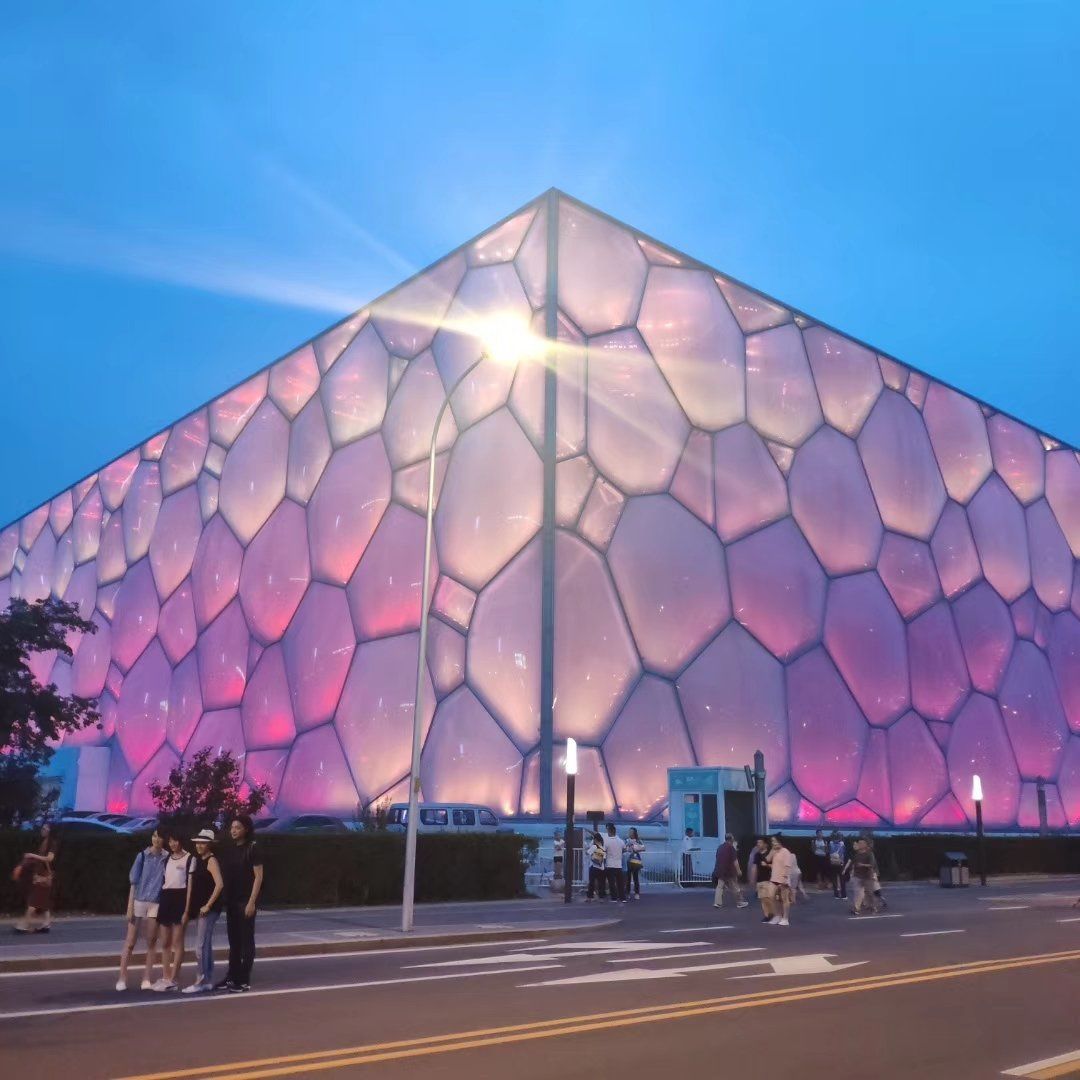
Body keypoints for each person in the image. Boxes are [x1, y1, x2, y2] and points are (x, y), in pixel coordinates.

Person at [216, 814, 264, 992]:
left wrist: (252, 902)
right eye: (232, 828)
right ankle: (232, 976)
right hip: (232, 901)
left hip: (245, 901)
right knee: (234, 942)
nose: (233, 831)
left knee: (246, 941)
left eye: (237, 828)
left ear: (246, 829)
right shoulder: (231, 848)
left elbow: (258, 877)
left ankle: (244, 980)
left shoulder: (253, 848)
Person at [117, 826, 167, 991]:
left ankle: (146, 978)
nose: (156, 839)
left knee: (151, 941)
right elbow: (134, 881)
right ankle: (122, 977)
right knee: (130, 941)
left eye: (159, 837)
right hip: (139, 900)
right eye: (154, 836)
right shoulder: (142, 856)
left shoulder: (166, 857)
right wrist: (129, 906)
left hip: (156, 902)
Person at [183, 829, 224, 994]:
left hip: (209, 910)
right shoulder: (200, 860)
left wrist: (208, 905)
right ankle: (207, 980)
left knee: (200, 946)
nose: (199, 845)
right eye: (198, 843)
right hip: (204, 909)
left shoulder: (211, 860)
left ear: (209, 845)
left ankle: (200, 981)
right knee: (205, 945)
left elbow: (219, 884)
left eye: (203, 843)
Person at [153, 832, 195, 991]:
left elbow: (190, 886)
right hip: (166, 898)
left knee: (178, 942)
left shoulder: (190, 858)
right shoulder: (166, 859)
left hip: (180, 899)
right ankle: (166, 977)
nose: (172, 844)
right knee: (165, 942)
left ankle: (174, 979)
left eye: (175, 841)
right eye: (170, 841)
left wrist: (187, 910)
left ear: (181, 841)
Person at [13, 822, 59, 934]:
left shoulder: (52, 843)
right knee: (43, 902)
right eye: (43, 828)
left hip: (44, 877)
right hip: (41, 876)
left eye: (45, 829)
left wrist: (32, 855)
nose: (42, 830)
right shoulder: (45, 842)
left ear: (50, 831)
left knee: (33, 902)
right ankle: (46, 924)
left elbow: (49, 859)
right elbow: (41, 860)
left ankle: (25, 925)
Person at [712, 834, 748, 909]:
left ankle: (717, 903)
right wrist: (738, 870)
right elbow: (735, 861)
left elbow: (717, 858)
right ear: (731, 839)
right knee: (735, 887)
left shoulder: (720, 847)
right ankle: (740, 902)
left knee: (720, 886)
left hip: (720, 870)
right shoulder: (731, 848)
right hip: (729, 871)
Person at [847, 838, 881, 916]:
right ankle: (856, 908)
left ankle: (873, 907)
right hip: (858, 876)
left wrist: (863, 865)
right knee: (858, 893)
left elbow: (872, 865)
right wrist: (852, 872)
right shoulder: (856, 855)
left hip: (868, 876)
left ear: (865, 845)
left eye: (861, 843)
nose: (859, 844)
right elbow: (853, 864)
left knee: (869, 893)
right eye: (859, 843)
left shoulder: (870, 854)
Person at [766, 835, 795, 926]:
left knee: (784, 899)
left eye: (775, 841)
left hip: (783, 879)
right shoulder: (774, 851)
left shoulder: (785, 852)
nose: (773, 843)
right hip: (774, 878)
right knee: (771, 896)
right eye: (772, 841)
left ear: (780, 842)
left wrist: (785, 879)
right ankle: (777, 915)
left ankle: (785, 918)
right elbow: (767, 859)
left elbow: (787, 866)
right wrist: (772, 851)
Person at [747, 837, 774, 923]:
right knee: (762, 898)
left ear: (765, 844)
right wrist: (752, 878)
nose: (758, 844)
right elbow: (754, 866)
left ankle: (772, 913)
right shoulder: (757, 855)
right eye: (757, 843)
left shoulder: (770, 854)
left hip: (769, 879)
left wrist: (767, 865)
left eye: (760, 843)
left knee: (768, 898)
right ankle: (767, 915)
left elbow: (775, 865)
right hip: (760, 879)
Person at [603, 823, 626, 903]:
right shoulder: (621, 841)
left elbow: (604, 852)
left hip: (610, 864)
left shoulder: (606, 841)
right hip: (619, 865)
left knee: (612, 882)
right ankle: (623, 898)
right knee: (620, 882)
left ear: (609, 831)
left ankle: (614, 898)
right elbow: (624, 849)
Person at [584, 831, 607, 901]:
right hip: (601, 867)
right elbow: (604, 858)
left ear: (595, 839)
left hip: (594, 867)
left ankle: (589, 897)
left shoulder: (594, 846)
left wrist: (587, 849)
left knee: (591, 882)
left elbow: (587, 853)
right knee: (601, 883)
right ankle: (601, 898)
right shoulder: (603, 847)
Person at [624, 828, 645, 900]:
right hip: (628, 861)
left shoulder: (638, 840)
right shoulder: (627, 840)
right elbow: (624, 848)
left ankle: (637, 893)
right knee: (628, 878)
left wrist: (636, 847)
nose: (629, 833)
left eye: (631, 832)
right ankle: (627, 893)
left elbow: (644, 848)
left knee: (636, 877)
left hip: (636, 861)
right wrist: (628, 845)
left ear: (634, 833)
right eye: (629, 832)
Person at [828, 830, 848, 900]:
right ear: (840, 837)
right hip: (841, 863)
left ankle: (836, 895)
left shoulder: (830, 843)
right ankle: (843, 895)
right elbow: (844, 853)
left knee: (834, 879)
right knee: (842, 879)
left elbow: (829, 852)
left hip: (833, 863)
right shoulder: (842, 844)